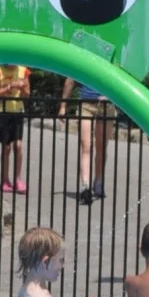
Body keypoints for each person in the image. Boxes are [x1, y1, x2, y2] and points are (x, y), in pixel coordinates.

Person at [58, 77, 117, 205]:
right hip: (86, 104)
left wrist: (111, 96)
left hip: (107, 105)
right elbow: (70, 79)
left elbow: (119, 80)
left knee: (101, 147)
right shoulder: (87, 57)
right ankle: (85, 186)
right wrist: (63, 106)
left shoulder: (112, 59)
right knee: (86, 146)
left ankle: (98, 181)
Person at [0, 65, 31, 194]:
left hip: (17, 111)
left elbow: (27, 95)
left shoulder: (23, 71)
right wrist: (9, 87)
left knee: (18, 146)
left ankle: (18, 179)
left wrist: (22, 87)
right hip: (2, 111)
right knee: (6, 147)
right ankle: (5, 179)